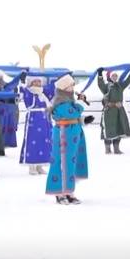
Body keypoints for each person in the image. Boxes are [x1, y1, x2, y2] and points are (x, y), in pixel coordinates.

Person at [45, 75, 91, 205]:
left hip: (72, 135)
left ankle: (69, 192)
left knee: (70, 163)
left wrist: (83, 120)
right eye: (70, 85)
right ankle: (59, 192)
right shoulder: (60, 102)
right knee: (61, 162)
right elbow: (72, 113)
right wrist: (81, 103)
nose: (73, 88)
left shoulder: (69, 101)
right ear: (64, 88)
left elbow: (74, 116)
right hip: (63, 135)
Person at [96, 66, 130, 154]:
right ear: (110, 77)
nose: (115, 77)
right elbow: (100, 84)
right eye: (113, 76)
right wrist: (100, 74)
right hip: (109, 111)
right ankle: (107, 148)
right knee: (109, 129)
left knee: (119, 128)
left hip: (119, 111)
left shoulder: (120, 86)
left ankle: (116, 148)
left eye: (116, 76)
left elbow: (128, 80)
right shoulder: (107, 86)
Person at [19, 77, 53, 175]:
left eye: (39, 81)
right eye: (35, 81)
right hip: (33, 119)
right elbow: (28, 104)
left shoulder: (43, 93)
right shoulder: (29, 92)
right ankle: (32, 166)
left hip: (44, 119)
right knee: (32, 140)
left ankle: (40, 165)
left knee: (43, 140)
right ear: (31, 82)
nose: (38, 83)